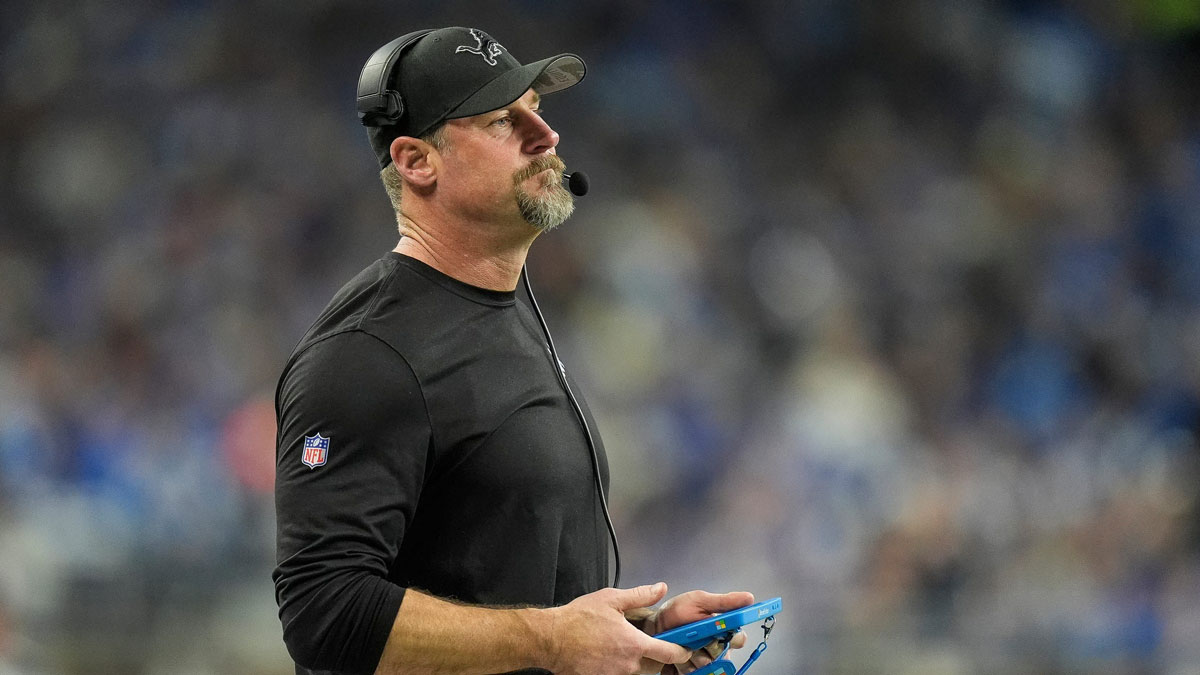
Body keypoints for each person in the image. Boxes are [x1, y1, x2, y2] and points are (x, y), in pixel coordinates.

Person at [273, 26, 754, 675]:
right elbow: (324, 609)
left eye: (538, 110)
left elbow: (498, 577)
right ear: (417, 161)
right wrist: (553, 640)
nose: (546, 136)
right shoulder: (366, 354)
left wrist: (638, 635)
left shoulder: (512, 313)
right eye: (503, 120)